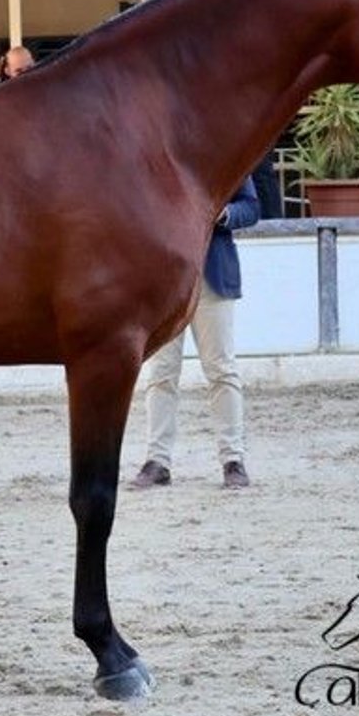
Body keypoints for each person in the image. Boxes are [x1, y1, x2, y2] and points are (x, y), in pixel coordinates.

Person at [130, 177, 262, 490]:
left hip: (211, 276)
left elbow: (251, 208)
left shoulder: (222, 154)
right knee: (161, 372)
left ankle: (233, 458)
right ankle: (157, 460)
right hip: (166, 279)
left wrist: (223, 214)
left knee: (221, 369)